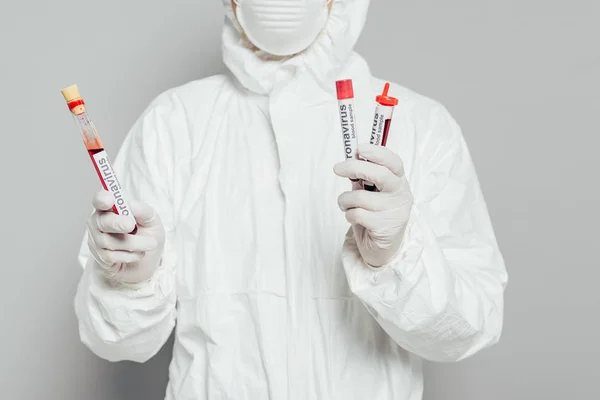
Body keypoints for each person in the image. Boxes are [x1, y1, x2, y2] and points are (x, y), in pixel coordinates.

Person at [74, 0, 508, 399]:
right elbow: (114, 341)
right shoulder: (174, 124)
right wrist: (130, 280)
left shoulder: (421, 126)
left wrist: (399, 257)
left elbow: (468, 329)